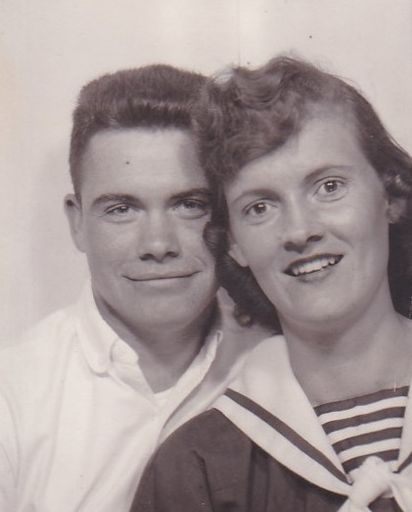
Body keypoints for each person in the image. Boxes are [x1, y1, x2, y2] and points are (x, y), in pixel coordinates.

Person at [132, 56, 412, 511]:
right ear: (233, 244)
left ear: (390, 196)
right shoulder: (197, 470)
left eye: (329, 186)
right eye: (259, 208)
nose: (299, 231)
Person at [0, 64, 268, 511]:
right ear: (77, 223)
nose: (158, 245)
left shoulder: (282, 361)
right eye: (122, 209)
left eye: (189, 204)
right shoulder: (11, 396)